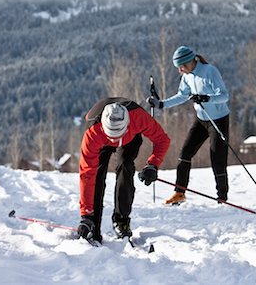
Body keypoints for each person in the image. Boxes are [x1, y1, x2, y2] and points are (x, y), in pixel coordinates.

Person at [77, 97, 170, 244]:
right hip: (102, 141)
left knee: (125, 167)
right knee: (97, 176)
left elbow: (162, 139)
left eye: (118, 133)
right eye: (112, 135)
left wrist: (153, 164)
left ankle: (122, 222)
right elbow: (87, 176)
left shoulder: (138, 117)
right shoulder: (93, 133)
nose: (115, 141)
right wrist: (86, 216)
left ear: (126, 124)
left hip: (130, 138)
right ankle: (92, 226)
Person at [147, 45, 230, 205]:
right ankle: (179, 193)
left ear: (190, 62)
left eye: (182, 66)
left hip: (218, 120)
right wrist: (161, 104)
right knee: (184, 154)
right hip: (201, 119)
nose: (180, 70)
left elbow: (224, 96)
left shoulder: (209, 71)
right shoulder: (187, 76)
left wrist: (207, 98)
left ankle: (222, 198)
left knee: (217, 159)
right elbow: (182, 95)